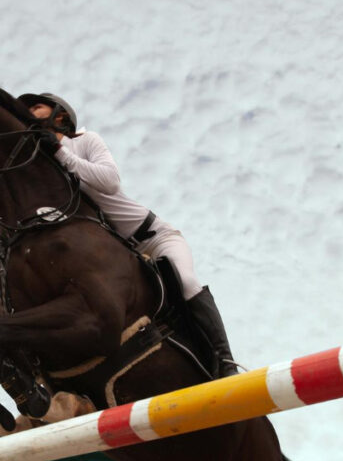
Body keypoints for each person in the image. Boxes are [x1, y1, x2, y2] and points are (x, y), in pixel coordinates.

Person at [17, 92, 240, 376]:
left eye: (35, 106)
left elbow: (109, 182)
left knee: (185, 282)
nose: (27, 112)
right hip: (118, 257)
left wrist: (60, 152)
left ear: (59, 116)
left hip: (154, 238)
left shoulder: (84, 141)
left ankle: (226, 361)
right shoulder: (43, 164)